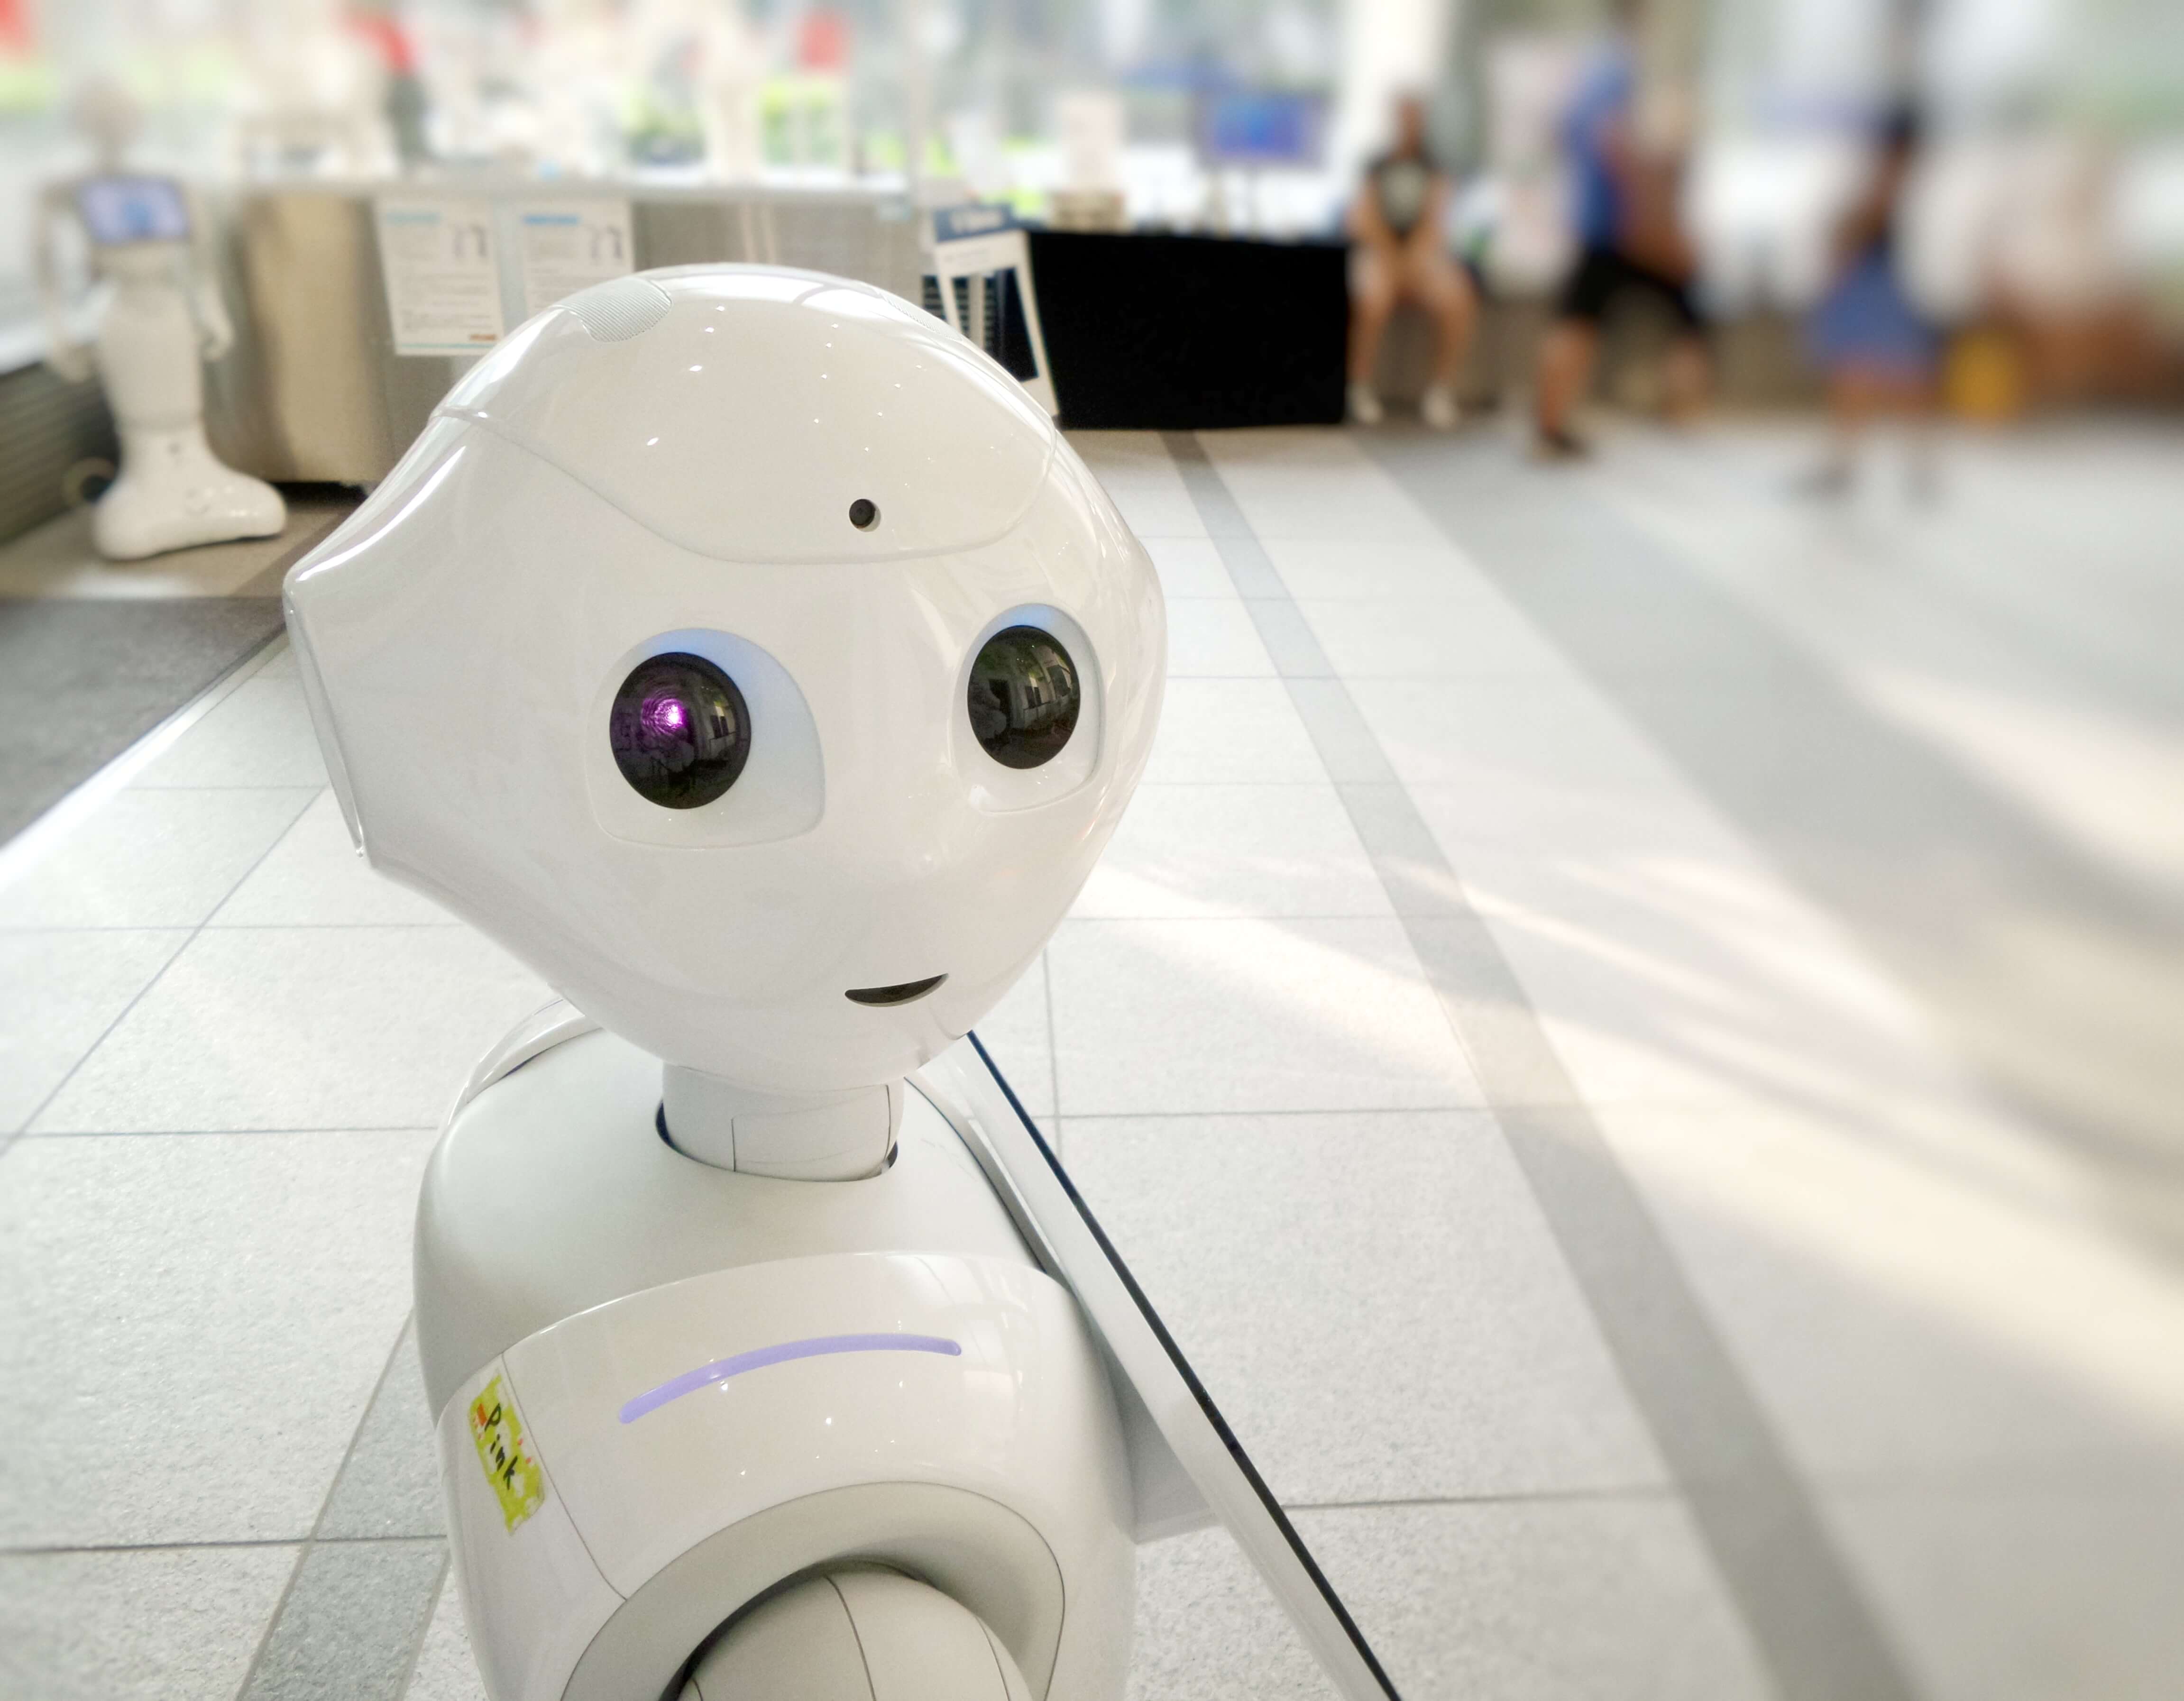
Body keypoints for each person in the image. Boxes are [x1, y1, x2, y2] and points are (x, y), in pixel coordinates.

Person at [1531, 2, 1708, 457]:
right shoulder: (1617, 69)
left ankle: (1554, 423)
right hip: (1612, 225)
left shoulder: (1591, 70)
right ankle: (1552, 425)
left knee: (1581, 321)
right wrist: (1640, 213)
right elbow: (1612, 143)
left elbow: (1561, 134)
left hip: (1597, 218)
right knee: (1580, 322)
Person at [1799, 109, 1940, 496]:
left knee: (1872, 373)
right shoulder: (1892, 178)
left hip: (1871, 282)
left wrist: (1840, 255)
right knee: (1877, 375)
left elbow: (1862, 226)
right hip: (1873, 281)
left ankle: (1862, 464)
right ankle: (1855, 463)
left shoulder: (1888, 181)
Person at [1346, 94, 1477, 430]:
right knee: (1372, 297)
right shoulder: (1376, 164)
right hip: (1381, 252)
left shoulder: (1434, 166)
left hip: (1421, 256)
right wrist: (1392, 258)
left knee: (1457, 298)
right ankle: (1359, 386)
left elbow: (1436, 220)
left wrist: (1414, 259)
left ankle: (1441, 391)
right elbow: (1364, 218)